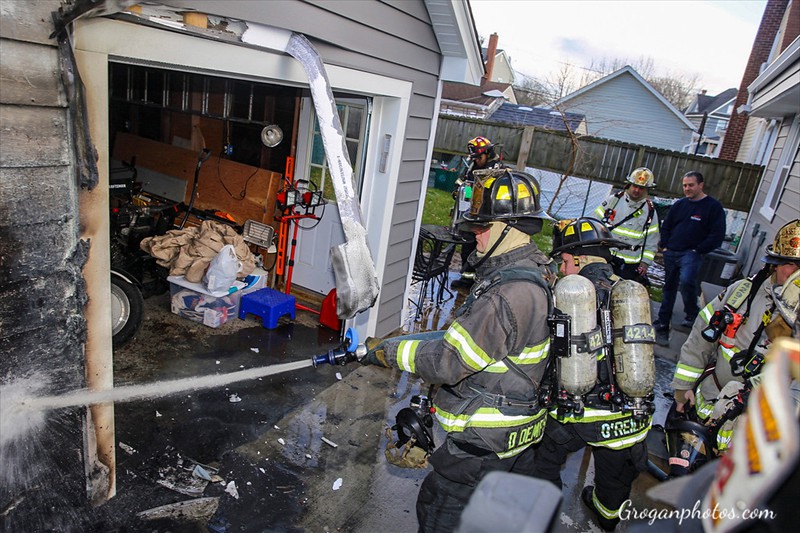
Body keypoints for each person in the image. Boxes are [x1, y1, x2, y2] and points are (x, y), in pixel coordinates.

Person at [361, 169, 557, 533]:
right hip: (518, 437)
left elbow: (448, 363)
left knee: (440, 515)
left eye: (483, 226)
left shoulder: (507, 293)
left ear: (510, 228)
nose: (475, 234)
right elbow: (475, 342)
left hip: (482, 444)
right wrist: (404, 341)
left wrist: (389, 354)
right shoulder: (537, 272)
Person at [531, 217, 651, 532]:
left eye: (566, 261)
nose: (563, 269)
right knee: (614, 483)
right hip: (626, 418)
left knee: (540, 465)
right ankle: (607, 516)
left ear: (581, 260)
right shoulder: (628, 292)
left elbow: (547, 352)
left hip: (574, 413)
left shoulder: (568, 295)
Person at [671, 219, 800, 454]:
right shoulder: (741, 293)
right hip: (707, 404)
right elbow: (700, 339)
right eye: (792, 265)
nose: (797, 276)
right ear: (775, 264)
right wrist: (682, 387)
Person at [655, 171, 726, 346]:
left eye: (691, 185)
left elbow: (717, 235)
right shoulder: (679, 205)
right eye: (685, 185)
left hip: (691, 254)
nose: (687, 188)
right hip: (672, 251)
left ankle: (692, 313)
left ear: (701, 185)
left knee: (687, 281)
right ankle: (663, 321)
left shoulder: (713, 207)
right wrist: (665, 245)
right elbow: (667, 226)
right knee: (669, 287)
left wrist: (698, 250)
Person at [450, 136, 506, 290]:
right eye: (474, 158)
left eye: (478, 157)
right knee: (467, 245)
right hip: (471, 213)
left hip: (487, 216)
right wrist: (459, 191)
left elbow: (491, 192)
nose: (476, 161)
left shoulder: (497, 169)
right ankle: (467, 279)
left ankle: (480, 280)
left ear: (487, 154)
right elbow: (464, 182)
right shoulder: (474, 165)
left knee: (482, 249)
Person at [594, 167, 659, 284]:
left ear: (647, 189)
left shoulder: (650, 211)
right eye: (634, 186)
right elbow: (595, 223)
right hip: (606, 256)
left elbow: (651, 241)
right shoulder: (613, 201)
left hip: (629, 264)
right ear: (629, 185)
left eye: (641, 188)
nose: (636, 190)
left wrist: (645, 263)